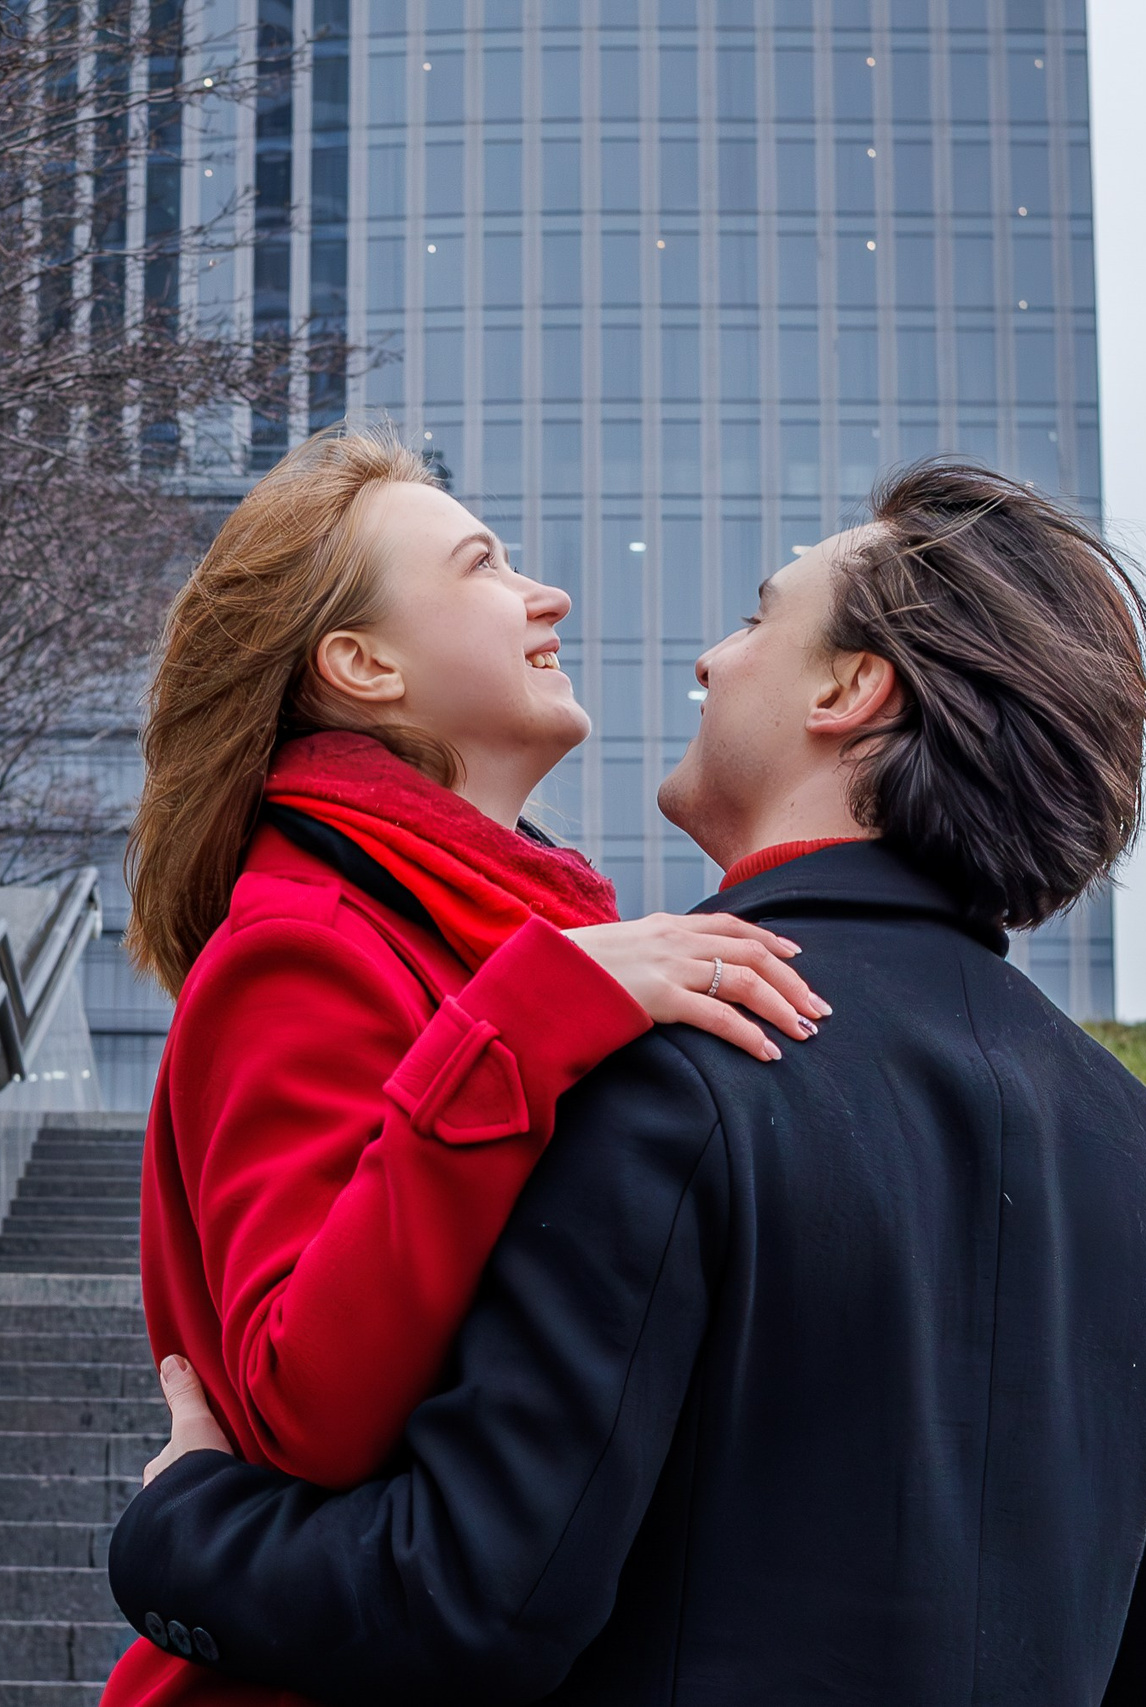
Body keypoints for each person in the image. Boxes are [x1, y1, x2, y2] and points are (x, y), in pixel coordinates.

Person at [108, 459, 1146, 1706]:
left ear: (848, 691)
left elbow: (475, 1592)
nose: (706, 658)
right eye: (483, 566)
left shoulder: (673, 1074)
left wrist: (182, 1525)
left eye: (755, 618)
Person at [99, 423, 829, 1707]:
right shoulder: (301, 945)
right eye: (484, 565)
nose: (548, 597)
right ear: (361, 664)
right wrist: (532, 1018)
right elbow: (305, 1403)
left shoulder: (496, 937)